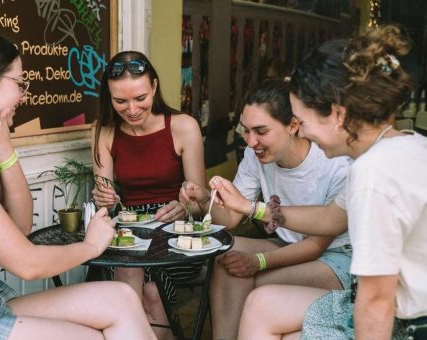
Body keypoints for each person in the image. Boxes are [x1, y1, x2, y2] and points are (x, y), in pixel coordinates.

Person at [0, 26, 155, 340]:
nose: (23, 94)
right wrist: (92, 246)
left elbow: (19, 226)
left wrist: (4, 152)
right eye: (19, 82)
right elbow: (27, 264)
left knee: (121, 299)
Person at [237, 25, 427, 339]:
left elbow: (377, 298)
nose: (303, 132)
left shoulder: (374, 175)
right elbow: (329, 218)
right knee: (261, 304)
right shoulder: (403, 145)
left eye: (303, 121)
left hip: (407, 325)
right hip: (401, 310)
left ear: (337, 114)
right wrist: (252, 208)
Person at [180, 79, 352, 340]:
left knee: (250, 282)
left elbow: (316, 245)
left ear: (293, 125)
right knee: (226, 252)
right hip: (286, 244)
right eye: (246, 131)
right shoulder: (255, 155)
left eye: (261, 131)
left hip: (335, 256)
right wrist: (205, 199)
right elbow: (231, 219)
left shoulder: (334, 163)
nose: (251, 141)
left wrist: (258, 262)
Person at [91, 50, 205, 338]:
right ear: (109, 96)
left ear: (154, 87)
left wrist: (184, 206)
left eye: (140, 98)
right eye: (120, 101)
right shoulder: (104, 131)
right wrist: (103, 197)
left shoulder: (183, 127)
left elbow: (201, 203)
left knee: (147, 289)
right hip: (130, 229)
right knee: (138, 282)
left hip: (176, 232)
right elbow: (106, 198)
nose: (131, 109)